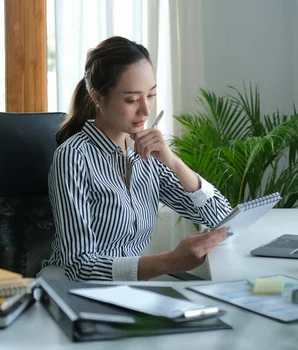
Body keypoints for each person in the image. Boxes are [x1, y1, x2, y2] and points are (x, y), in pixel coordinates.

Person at [41, 36, 232, 281]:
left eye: (150, 95)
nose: (145, 110)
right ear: (98, 98)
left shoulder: (147, 155)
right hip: (74, 290)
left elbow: (221, 218)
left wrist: (173, 161)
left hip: (128, 288)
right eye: (132, 99)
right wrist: (170, 261)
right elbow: (80, 266)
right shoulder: (73, 157)